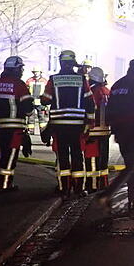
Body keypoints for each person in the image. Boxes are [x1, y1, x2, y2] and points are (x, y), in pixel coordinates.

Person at [41, 50, 94, 197]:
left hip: (59, 125)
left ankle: (64, 189)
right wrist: (90, 123)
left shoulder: (53, 79)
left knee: (62, 157)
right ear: (72, 63)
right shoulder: (82, 80)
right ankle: (78, 189)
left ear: (61, 63)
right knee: (77, 156)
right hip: (77, 125)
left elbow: (45, 99)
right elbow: (90, 102)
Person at [102, 59, 134, 211]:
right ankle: (107, 194)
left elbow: (109, 108)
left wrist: (114, 128)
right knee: (130, 165)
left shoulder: (117, 85)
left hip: (120, 130)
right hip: (133, 129)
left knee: (130, 164)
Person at [0, 56, 34, 191]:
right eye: (21, 68)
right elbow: (28, 107)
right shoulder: (19, 85)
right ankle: (5, 185)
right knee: (10, 157)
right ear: (16, 69)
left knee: (0, 155)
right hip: (15, 129)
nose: (22, 71)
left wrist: (1, 111)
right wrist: (27, 114)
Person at [86, 67, 111, 191]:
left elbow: (89, 109)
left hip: (93, 130)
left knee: (92, 158)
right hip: (106, 131)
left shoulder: (92, 92)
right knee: (103, 159)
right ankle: (104, 183)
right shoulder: (107, 91)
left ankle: (93, 185)